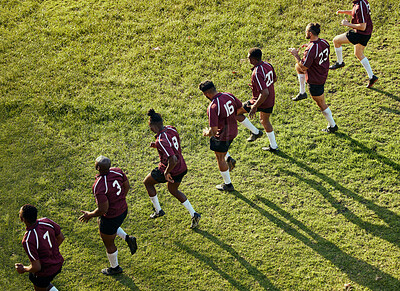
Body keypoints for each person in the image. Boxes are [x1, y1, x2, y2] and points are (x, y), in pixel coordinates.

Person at [79, 156, 137, 276]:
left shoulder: (99, 186)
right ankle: (127, 238)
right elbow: (126, 185)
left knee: (109, 243)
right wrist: (121, 199)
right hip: (123, 210)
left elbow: (102, 209)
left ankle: (115, 268)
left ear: (98, 167)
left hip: (111, 217)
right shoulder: (118, 171)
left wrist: (89, 215)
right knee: (104, 224)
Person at [143, 109, 201, 229]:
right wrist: (157, 146)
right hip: (182, 167)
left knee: (147, 183)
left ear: (153, 126)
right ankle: (194, 214)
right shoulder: (171, 128)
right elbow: (173, 145)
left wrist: (166, 172)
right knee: (173, 190)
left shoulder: (160, 140)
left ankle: (158, 211)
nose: (149, 129)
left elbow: (172, 159)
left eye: (150, 126)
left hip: (171, 168)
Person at [289, 23, 338, 133]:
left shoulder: (311, 49)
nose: (305, 33)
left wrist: (296, 54)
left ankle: (332, 125)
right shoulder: (324, 42)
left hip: (315, 79)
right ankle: (302, 93)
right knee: (297, 67)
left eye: (306, 31)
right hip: (322, 72)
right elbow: (318, 52)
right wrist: (308, 47)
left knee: (321, 104)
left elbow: (304, 66)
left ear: (310, 33)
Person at [199, 80, 244, 191]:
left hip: (223, 135)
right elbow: (240, 108)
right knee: (223, 153)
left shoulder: (213, 107)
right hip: (233, 131)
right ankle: (229, 158)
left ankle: (228, 184)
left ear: (206, 94)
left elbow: (214, 131)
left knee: (220, 158)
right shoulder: (228, 95)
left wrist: (207, 133)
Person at [329, 0, 378, 88]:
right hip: (366, 34)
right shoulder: (361, 2)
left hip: (360, 34)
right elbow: (356, 13)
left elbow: (362, 27)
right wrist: (344, 12)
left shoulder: (360, 6)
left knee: (336, 40)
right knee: (358, 54)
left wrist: (348, 24)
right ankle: (372, 76)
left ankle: (340, 62)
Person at [238, 47, 279, 152]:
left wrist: (254, 106)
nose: (248, 59)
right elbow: (274, 79)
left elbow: (264, 92)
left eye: (249, 58)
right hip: (270, 100)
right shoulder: (268, 65)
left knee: (236, 112)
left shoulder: (256, 73)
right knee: (265, 121)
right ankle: (273, 146)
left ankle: (255, 132)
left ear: (253, 59)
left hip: (260, 100)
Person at [15, 204, 64, 291]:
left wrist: (23, 269)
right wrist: (51, 250)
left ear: (23, 219)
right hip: (58, 263)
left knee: (39, 282)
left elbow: (37, 267)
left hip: (45, 271)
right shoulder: (46, 221)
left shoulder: (28, 240)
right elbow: (61, 237)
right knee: (45, 284)